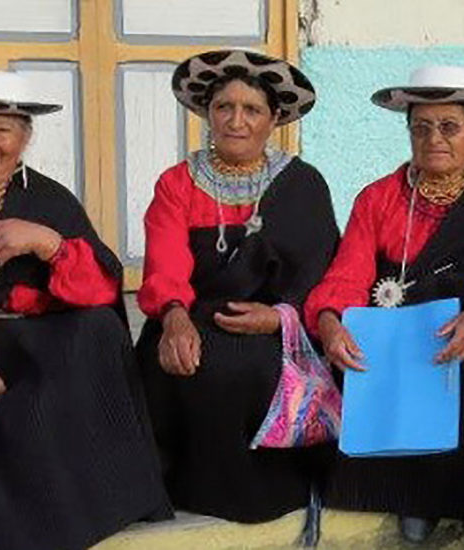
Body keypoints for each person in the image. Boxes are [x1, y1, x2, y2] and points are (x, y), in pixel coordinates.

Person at [0, 68, 172, 550]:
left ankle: (82, 511)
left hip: (32, 343)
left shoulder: (50, 200)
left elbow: (100, 290)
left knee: (97, 331)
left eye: (2, 129)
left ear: (25, 138)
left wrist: (48, 244)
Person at [136, 49, 339, 523]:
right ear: (208, 113)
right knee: (174, 361)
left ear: (274, 120)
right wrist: (173, 317)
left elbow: (321, 269)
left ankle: (268, 490)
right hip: (193, 314)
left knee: (247, 367)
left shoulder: (303, 183)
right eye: (224, 107)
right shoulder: (177, 183)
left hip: (278, 323)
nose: (236, 121)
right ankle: (184, 485)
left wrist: (281, 317)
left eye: (252, 110)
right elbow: (164, 261)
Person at [305, 65, 464, 543]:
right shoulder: (379, 199)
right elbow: (348, 274)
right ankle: (416, 498)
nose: (434, 138)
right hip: (403, 344)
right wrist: (330, 321)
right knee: (365, 368)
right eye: (421, 127)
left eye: (450, 127)